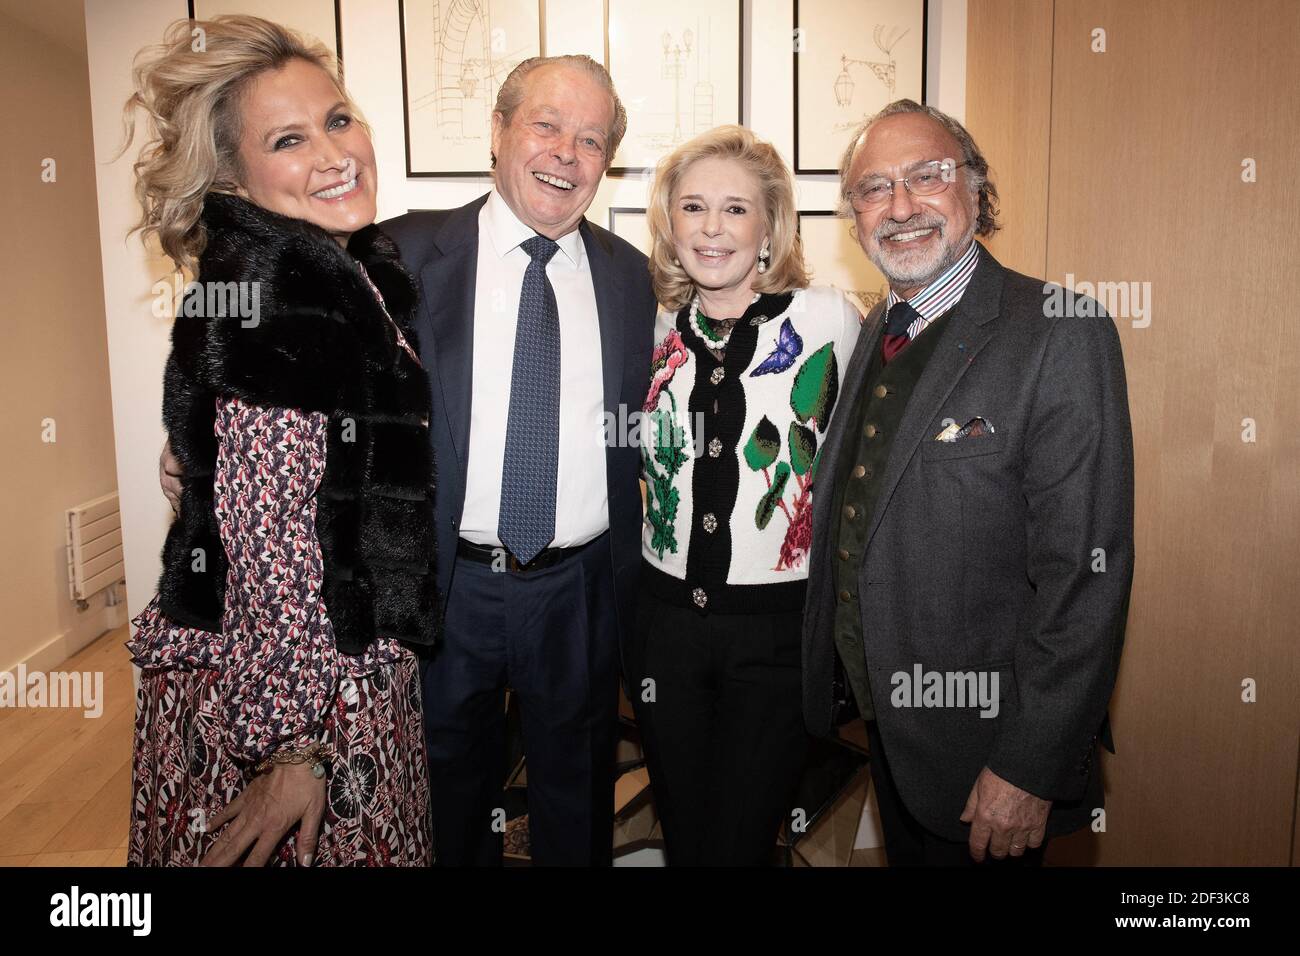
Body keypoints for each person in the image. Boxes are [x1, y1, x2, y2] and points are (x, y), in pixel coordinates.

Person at [129, 15, 437, 866]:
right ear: (233, 177)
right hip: (302, 701)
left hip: (335, 673)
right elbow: (272, 546)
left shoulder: (338, 272)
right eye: (289, 140)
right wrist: (292, 749)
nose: (335, 155)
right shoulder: (281, 297)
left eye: (338, 120)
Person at [802, 99, 1134, 866]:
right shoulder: (878, 328)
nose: (901, 207)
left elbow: (1083, 576)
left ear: (976, 191)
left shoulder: (1061, 331)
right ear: (855, 216)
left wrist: (1030, 764)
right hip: (891, 735)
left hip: (987, 756)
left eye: (927, 176)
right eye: (874, 188)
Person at [379, 55, 657, 866]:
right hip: (447, 586)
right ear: (498, 131)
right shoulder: (399, 253)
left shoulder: (635, 279)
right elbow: (323, 378)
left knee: (578, 798)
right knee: (445, 797)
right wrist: (205, 437)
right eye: (546, 125)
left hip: (579, 590)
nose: (567, 153)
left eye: (591, 140)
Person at [625, 126, 861, 865]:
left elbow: (866, 465)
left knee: (742, 842)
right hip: (663, 630)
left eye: (735, 209)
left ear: (770, 226)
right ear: (669, 224)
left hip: (777, 636)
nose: (712, 228)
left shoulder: (829, 319)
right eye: (693, 207)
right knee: (686, 835)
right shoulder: (652, 325)